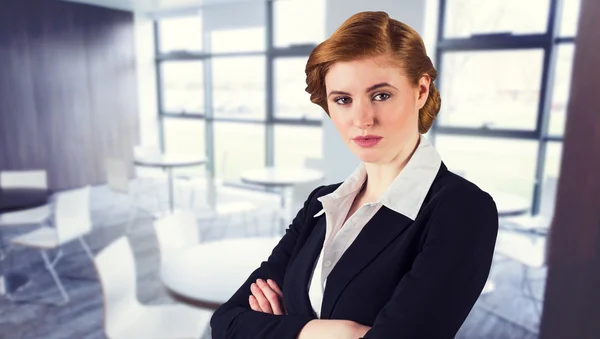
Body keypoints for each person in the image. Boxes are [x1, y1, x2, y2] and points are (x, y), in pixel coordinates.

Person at [210, 11, 498, 339]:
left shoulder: (463, 210)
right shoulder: (320, 204)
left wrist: (278, 328)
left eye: (381, 95)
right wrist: (343, 332)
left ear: (420, 90)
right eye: (343, 100)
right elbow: (226, 322)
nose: (362, 119)